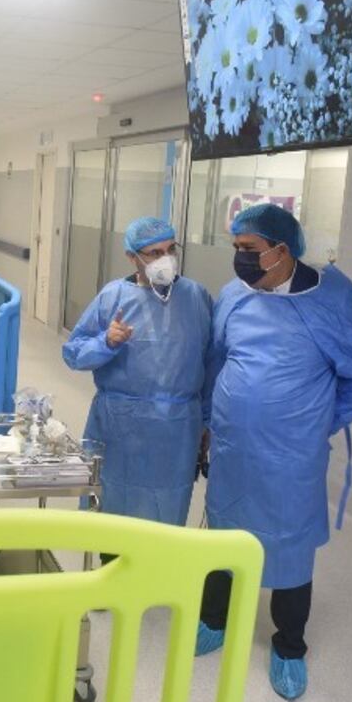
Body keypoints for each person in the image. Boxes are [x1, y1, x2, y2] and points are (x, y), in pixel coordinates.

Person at [195, 203, 352, 701]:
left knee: (291, 546)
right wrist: (209, 421)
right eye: (235, 247)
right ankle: (213, 619)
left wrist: (318, 422)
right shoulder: (234, 295)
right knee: (223, 531)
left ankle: (289, 645)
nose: (239, 258)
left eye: (249, 248)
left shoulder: (331, 300)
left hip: (292, 455)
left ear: (281, 250)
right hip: (234, 446)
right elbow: (217, 359)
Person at [63, 217, 212, 530]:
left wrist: (208, 422)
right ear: (132, 257)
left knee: (166, 515)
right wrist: (106, 342)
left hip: (177, 429)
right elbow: (73, 353)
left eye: (171, 250)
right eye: (154, 253)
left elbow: (211, 362)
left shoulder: (195, 297)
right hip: (120, 426)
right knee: (114, 511)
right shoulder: (113, 297)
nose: (166, 259)